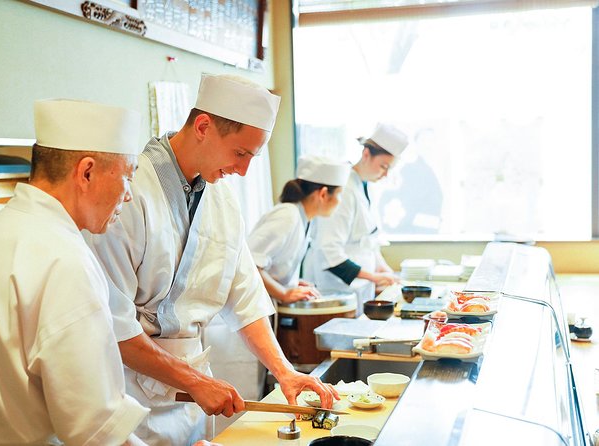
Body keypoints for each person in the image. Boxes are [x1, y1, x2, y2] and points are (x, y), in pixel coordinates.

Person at [83, 74, 338, 446]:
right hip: (128, 395)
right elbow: (114, 323)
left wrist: (284, 372)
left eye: (253, 158)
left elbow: (245, 294)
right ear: (203, 126)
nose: (244, 170)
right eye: (240, 154)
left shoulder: (221, 200)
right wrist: (194, 381)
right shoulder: (129, 195)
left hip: (193, 395)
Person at [0, 99, 151, 446]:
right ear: (87, 172)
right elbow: (93, 426)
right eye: (128, 176)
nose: (128, 196)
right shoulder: (66, 260)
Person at [304, 123, 409, 310]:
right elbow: (329, 251)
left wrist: (384, 270)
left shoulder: (364, 186)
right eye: (383, 166)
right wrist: (373, 277)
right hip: (335, 286)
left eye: (389, 169)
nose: (385, 174)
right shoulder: (343, 190)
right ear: (366, 154)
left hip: (358, 285)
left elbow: (368, 240)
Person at [248, 155, 351, 304]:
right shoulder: (288, 215)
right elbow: (249, 264)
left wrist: (291, 283)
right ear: (322, 194)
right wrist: (283, 293)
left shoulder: (305, 219)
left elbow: (273, 267)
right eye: (339, 194)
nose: (340, 201)